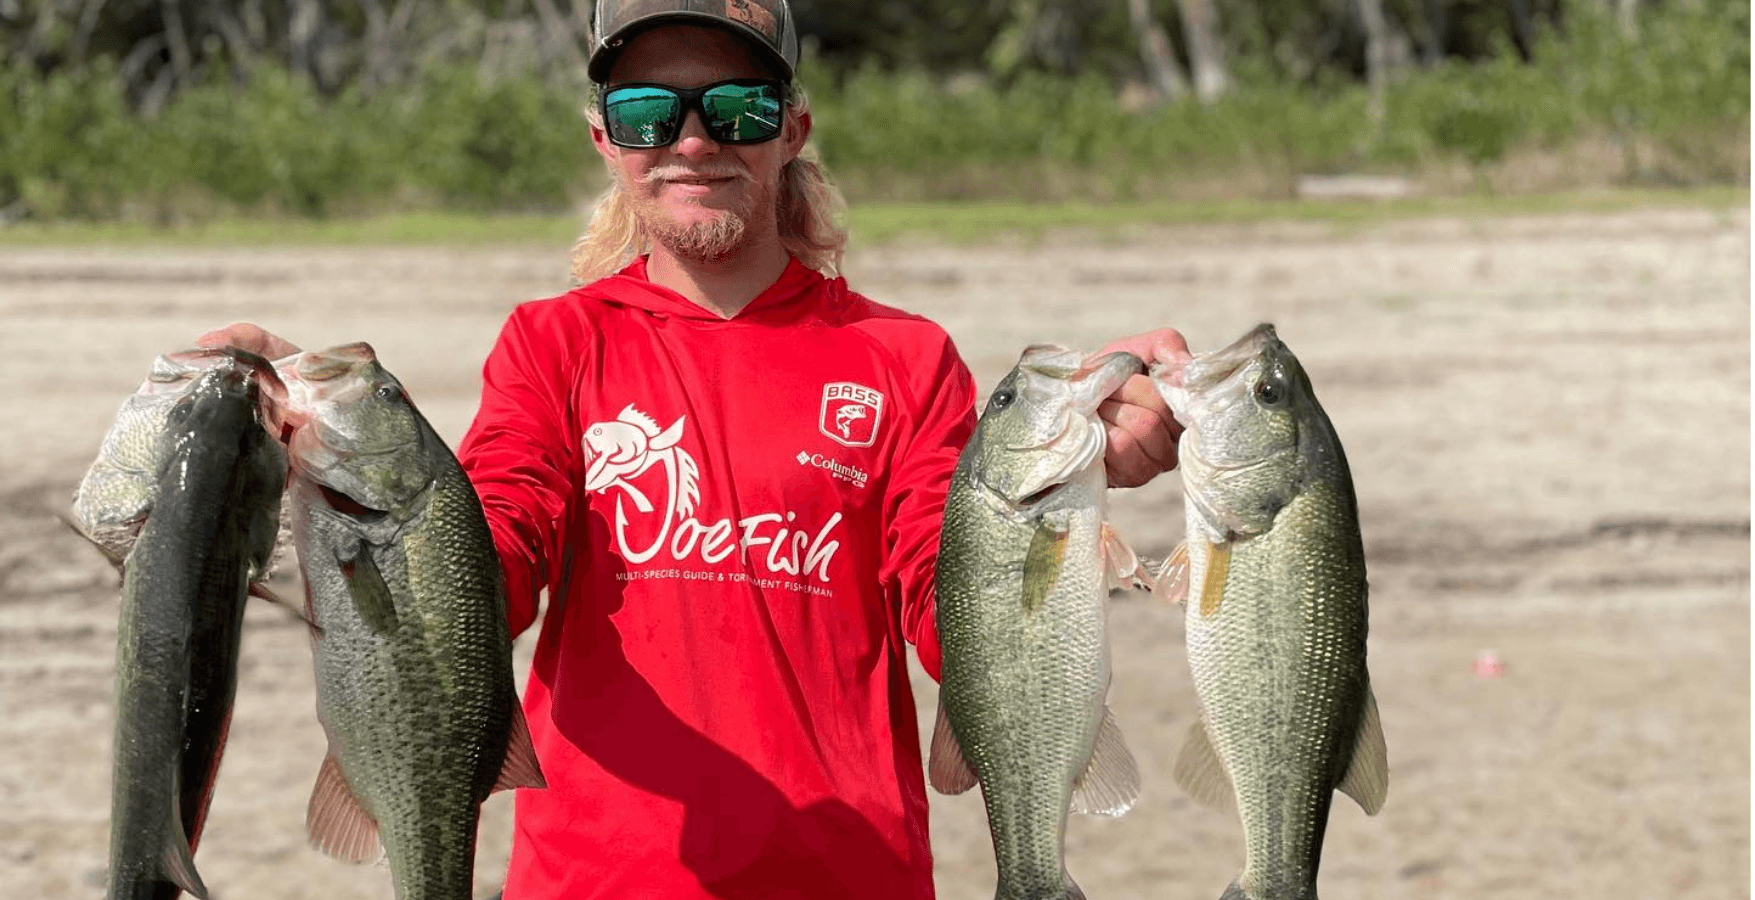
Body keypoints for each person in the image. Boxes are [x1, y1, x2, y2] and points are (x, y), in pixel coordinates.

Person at [202, 1, 1189, 896]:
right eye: (646, 112)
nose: (690, 140)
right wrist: (335, 469)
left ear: (792, 129)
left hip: (851, 877)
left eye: (736, 108)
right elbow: (495, 566)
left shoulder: (902, 357)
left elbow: (952, 613)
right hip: (591, 881)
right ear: (604, 139)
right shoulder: (555, 344)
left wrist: (1066, 472)